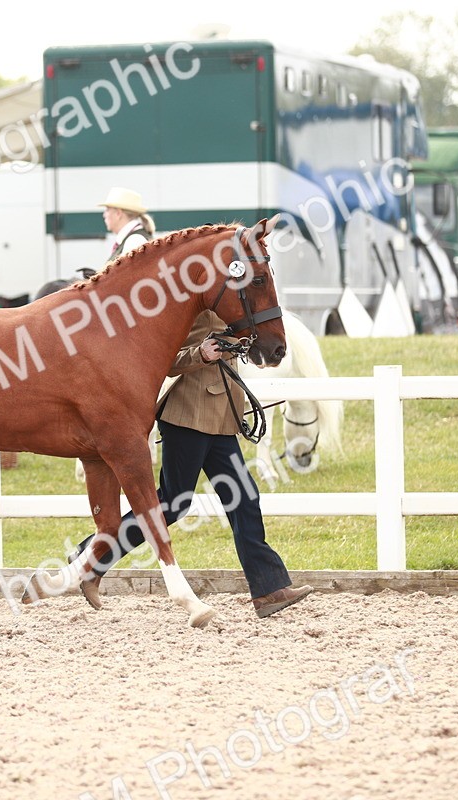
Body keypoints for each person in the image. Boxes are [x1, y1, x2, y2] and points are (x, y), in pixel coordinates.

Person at [73, 208, 312, 619]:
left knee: (243, 498)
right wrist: (200, 353)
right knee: (172, 503)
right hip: (187, 414)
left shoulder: (230, 291)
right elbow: (163, 360)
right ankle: (89, 558)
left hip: (219, 414)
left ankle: (270, 590)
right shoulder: (190, 300)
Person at [99, 187, 156, 262]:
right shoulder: (132, 239)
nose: (104, 215)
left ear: (118, 213)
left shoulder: (134, 241)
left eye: (107, 210)